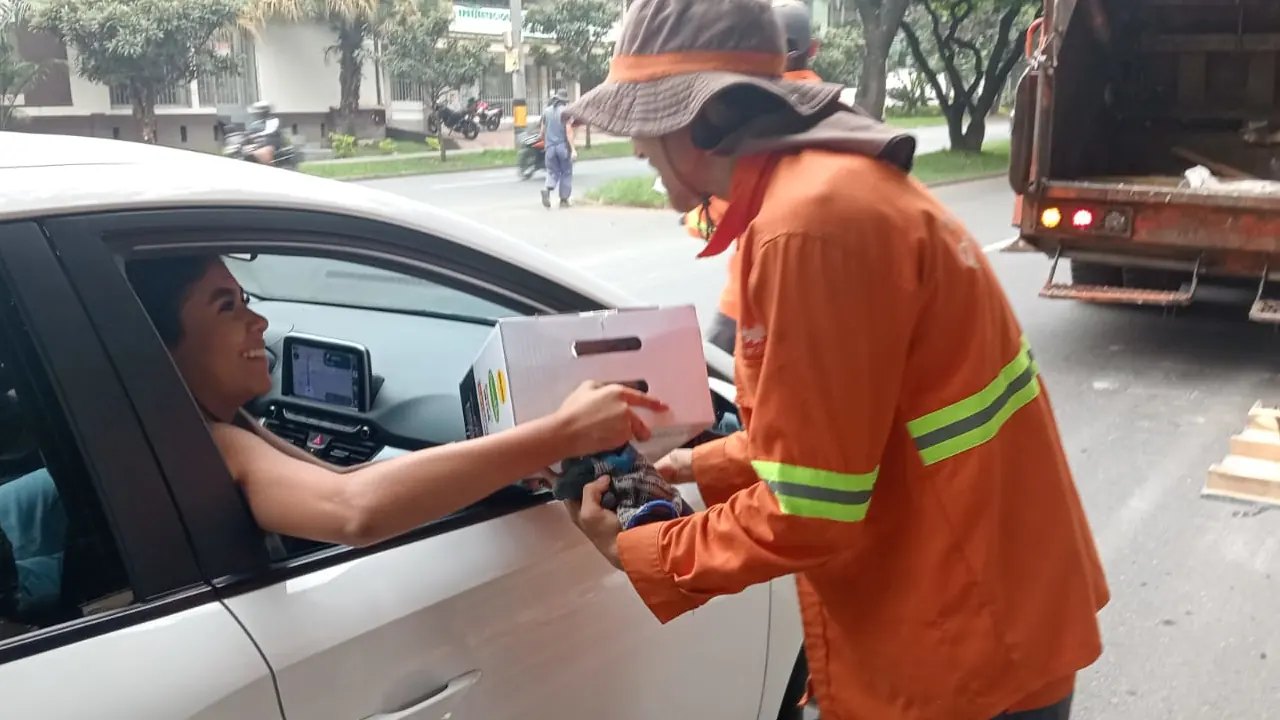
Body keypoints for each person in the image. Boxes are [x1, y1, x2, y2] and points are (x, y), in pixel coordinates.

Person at [559, 0, 1111, 718]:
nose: (636, 148)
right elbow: (844, 437)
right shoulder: (820, 195)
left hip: (962, 647)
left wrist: (649, 550)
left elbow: (811, 505)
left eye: (644, 126)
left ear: (701, 123)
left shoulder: (808, 227)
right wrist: (697, 465)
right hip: (973, 609)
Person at [120, 254, 664, 549]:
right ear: (160, 345)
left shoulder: (222, 423)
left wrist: (507, 466)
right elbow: (354, 509)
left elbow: (345, 477)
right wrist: (563, 432)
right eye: (226, 307)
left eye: (245, 300)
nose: (259, 321)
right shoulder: (214, 444)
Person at [687, 0, 824, 355]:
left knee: (713, 384)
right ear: (813, 50)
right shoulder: (836, 113)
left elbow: (715, 217)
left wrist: (692, 213)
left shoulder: (751, 119)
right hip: (824, 304)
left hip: (751, 300)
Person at [539, 88, 578, 208]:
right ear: (565, 101)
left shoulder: (546, 111)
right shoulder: (565, 112)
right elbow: (568, 131)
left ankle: (547, 188)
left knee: (552, 172)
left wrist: (546, 144)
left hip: (550, 148)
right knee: (566, 172)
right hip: (562, 148)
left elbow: (542, 132)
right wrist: (573, 149)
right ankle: (564, 200)